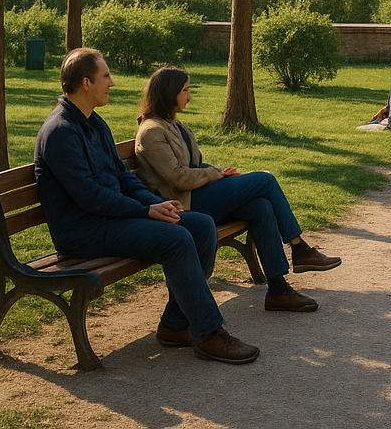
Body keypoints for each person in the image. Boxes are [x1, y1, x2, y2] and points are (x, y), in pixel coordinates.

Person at [34, 48, 260, 364]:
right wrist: (144, 211)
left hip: (111, 220)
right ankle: (209, 333)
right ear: (86, 83)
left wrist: (159, 204)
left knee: (200, 225)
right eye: (106, 76)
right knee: (177, 238)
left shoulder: (94, 124)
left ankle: (173, 325)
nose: (111, 83)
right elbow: (89, 197)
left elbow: (123, 179)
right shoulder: (60, 133)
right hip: (84, 232)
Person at [134, 67, 341, 315]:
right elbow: (177, 178)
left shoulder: (177, 126)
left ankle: (278, 290)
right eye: (185, 91)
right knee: (265, 180)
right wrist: (216, 174)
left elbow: (195, 166)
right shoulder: (151, 131)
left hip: (200, 195)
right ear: (169, 93)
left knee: (260, 206)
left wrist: (219, 170)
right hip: (182, 206)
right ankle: (299, 248)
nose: (189, 97)